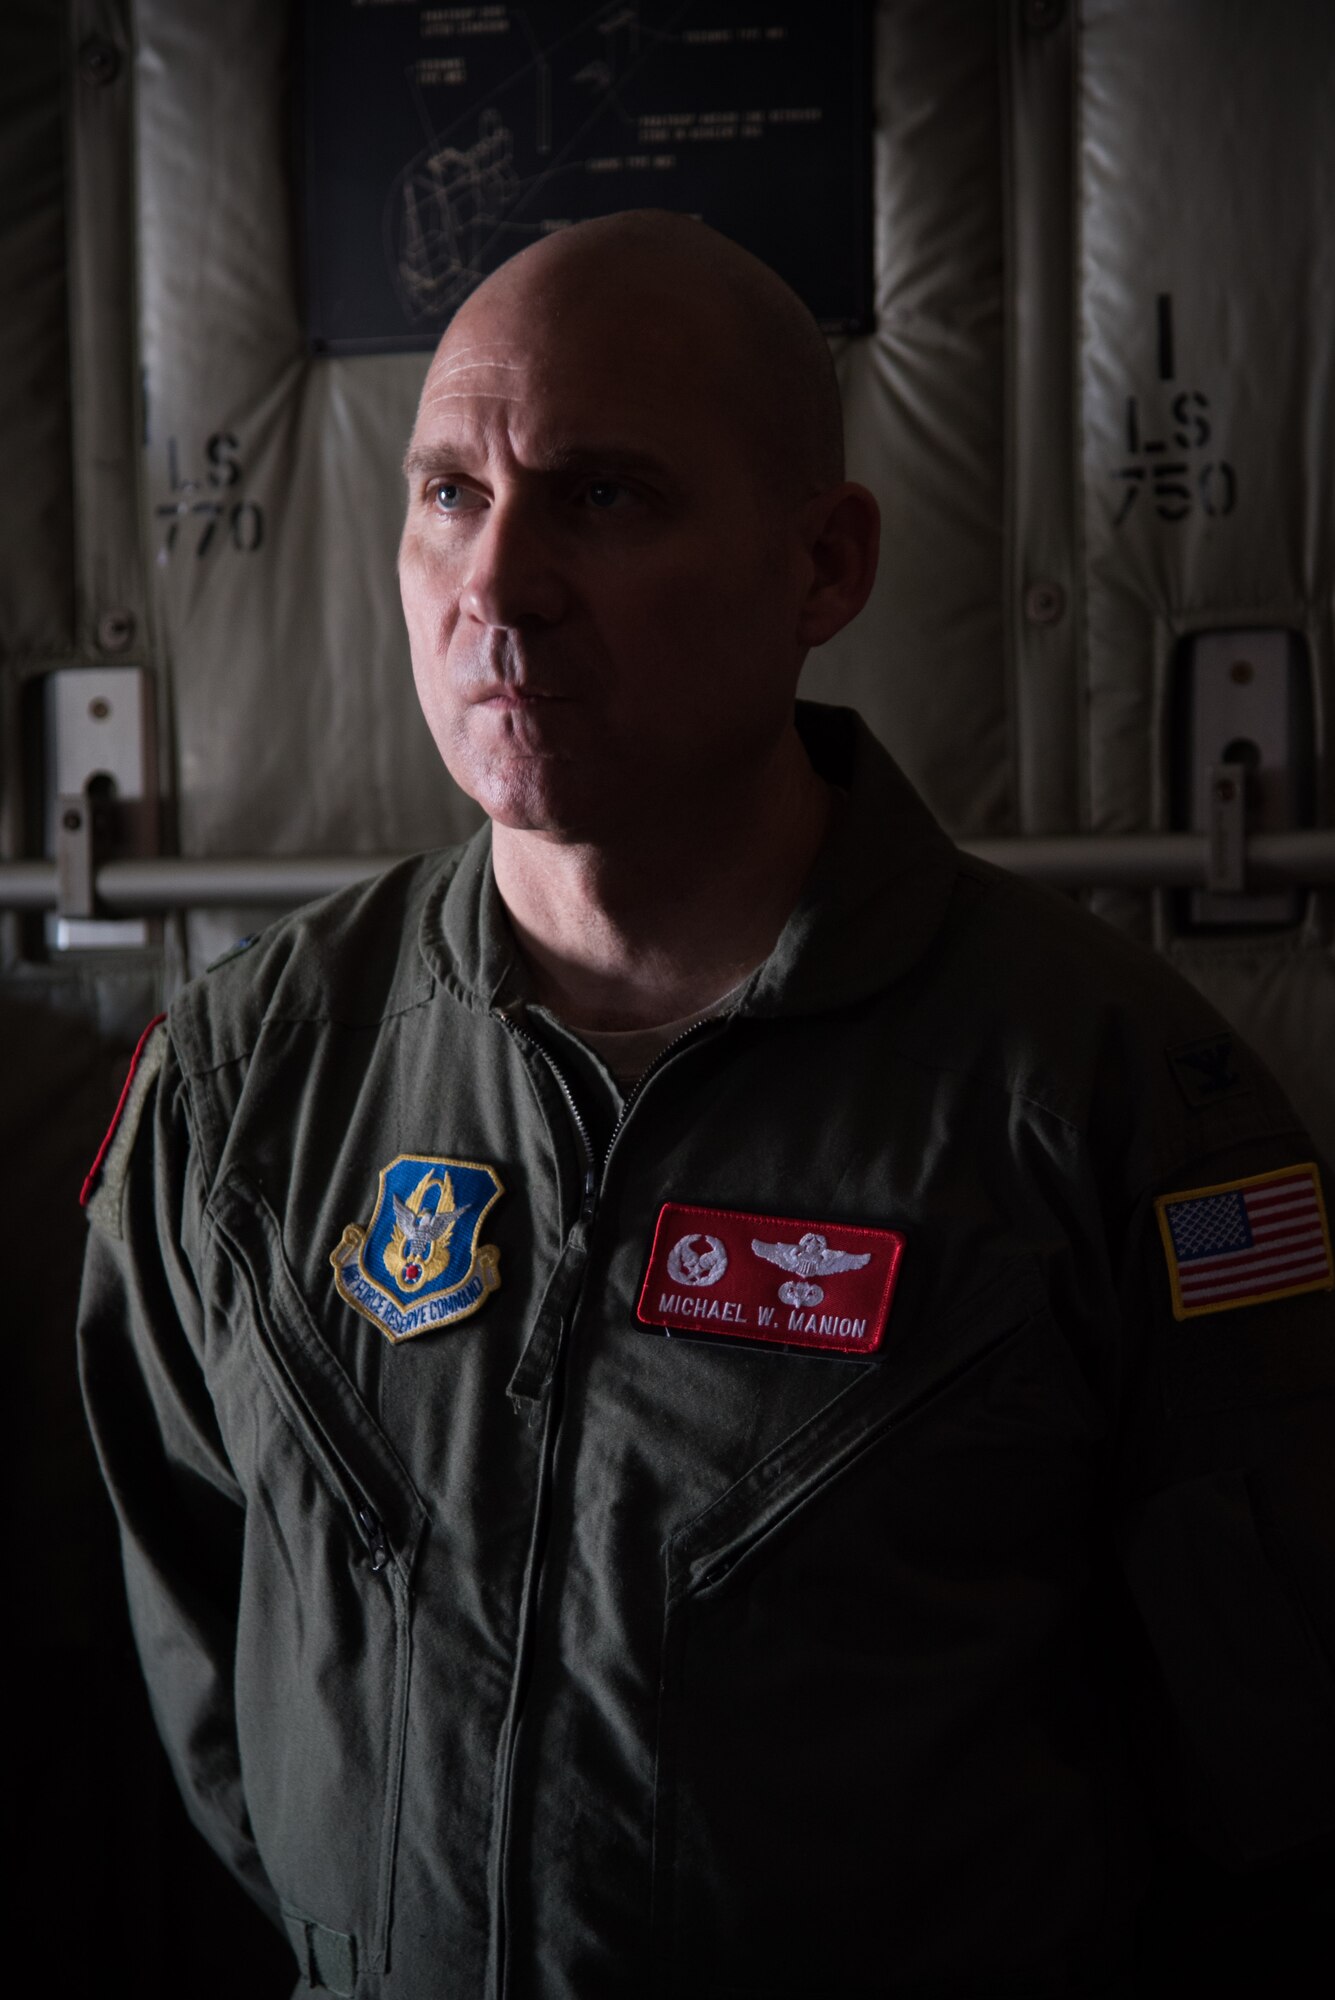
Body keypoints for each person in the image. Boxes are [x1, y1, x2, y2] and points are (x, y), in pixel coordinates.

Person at [79, 212, 1335, 1999]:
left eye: (602, 497)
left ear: (824, 567)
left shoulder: (1108, 1100)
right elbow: (204, 1676)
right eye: (449, 492)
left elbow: (1267, 1793)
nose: (497, 586)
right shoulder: (247, 1075)